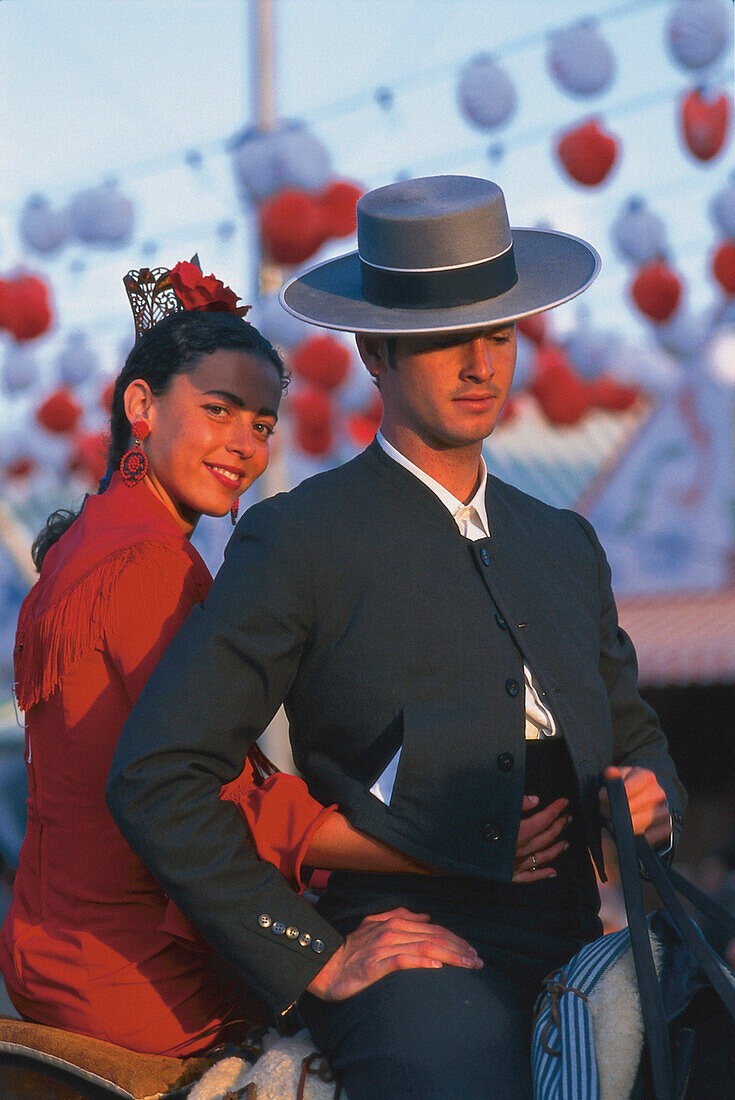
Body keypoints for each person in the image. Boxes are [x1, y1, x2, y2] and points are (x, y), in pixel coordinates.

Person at [107, 178, 685, 1096]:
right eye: (443, 339)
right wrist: (312, 959)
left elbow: (636, 734)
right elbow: (157, 774)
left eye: (496, 333)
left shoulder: (563, 541)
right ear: (373, 349)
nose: (479, 364)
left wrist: (650, 803)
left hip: (582, 927)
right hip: (412, 949)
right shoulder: (300, 536)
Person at [0, 261, 479, 1057]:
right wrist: (435, 853)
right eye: (218, 410)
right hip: (140, 970)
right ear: (141, 406)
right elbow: (206, 791)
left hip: (57, 942)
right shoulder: (147, 566)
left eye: (261, 425)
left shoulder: (86, 543)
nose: (243, 445)